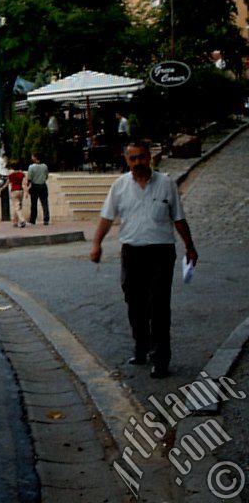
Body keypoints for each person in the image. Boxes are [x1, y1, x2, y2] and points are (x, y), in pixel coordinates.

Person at [90, 140, 196, 379]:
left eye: (141, 157)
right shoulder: (119, 186)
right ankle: (141, 347)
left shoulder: (166, 184)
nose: (138, 163)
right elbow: (107, 218)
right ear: (127, 160)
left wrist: (190, 247)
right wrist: (96, 244)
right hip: (132, 253)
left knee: (158, 305)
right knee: (135, 303)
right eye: (133, 158)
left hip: (161, 253)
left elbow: (179, 218)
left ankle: (161, 359)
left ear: (150, 157)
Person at [26, 152, 50, 225]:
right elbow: (46, 176)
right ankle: (46, 219)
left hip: (35, 186)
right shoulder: (45, 166)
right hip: (43, 185)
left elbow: (29, 178)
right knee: (45, 203)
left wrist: (27, 186)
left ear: (35, 158)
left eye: (33, 156)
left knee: (34, 204)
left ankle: (33, 219)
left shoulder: (31, 167)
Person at [7, 162, 27, 228]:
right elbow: (24, 184)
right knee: (18, 206)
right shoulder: (22, 174)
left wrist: (1, 188)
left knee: (16, 207)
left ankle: (22, 220)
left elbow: (7, 183)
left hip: (14, 191)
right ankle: (15, 221)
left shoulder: (11, 175)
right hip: (21, 191)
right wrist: (26, 192)